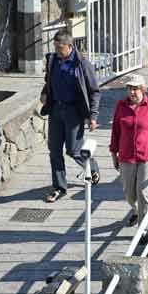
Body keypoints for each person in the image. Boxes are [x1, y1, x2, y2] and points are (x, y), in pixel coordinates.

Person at [40, 29, 100, 203]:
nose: (58, 52)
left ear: (70, 46)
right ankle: (59, 187)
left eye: (61, 49)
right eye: (56, 48)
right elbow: (48, 81)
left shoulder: (82, 65)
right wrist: (45, 93)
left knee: (73, 149)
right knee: (54, 150)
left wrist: (93, 116)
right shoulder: (52, 60)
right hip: (56, 110)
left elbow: (94, 92)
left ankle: (92, 167)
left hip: (74, 112)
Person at [109, 74, 148, 242]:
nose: (132, 92)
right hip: (126, 155)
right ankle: (136, 210)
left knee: (143, 193)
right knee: (129, 193)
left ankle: (144, 229)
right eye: (129, 88)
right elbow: (115, 132)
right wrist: (114, 153)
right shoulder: (121, 106)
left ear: (142, 89)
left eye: (135, 88)